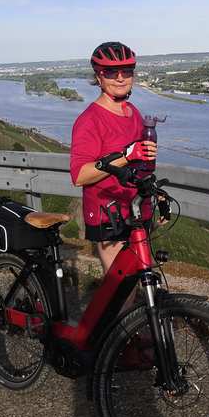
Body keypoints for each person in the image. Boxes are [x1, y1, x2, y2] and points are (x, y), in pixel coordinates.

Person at [69, 41, 157, 274]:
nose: (120, 78)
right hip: (109, 215)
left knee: (143, 280)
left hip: (138, 210)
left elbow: (142, 164)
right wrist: (126, 156)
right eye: (111, 72)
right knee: (123, 292)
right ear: (99, 77)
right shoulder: (90, 120)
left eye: (126, 71)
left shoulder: (133, 112)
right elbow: (80, 175)